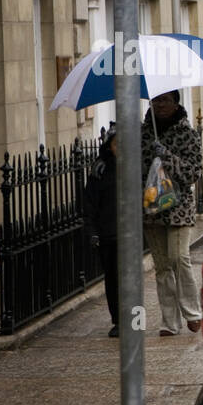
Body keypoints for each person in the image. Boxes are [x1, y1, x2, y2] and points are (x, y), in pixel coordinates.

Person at [140, 91, 202, 337]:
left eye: (165, 101)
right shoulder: (143, 133)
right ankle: (169, 321)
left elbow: (192, 173)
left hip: (178, 206)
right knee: (162, 266)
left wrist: (165, 155)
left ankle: (192, 312)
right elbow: (134, 168)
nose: (160, 105)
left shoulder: (187, 134)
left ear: (176, 103)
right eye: (156, 101)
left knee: (179, 258)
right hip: (152, 207)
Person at [83, 126, 121, 337]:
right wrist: (92, 231)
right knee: (113, 278)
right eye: (117, 144)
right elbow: (90, 204)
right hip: (108, 233)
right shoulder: (100, 169)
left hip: (130, 233)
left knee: (132, 280)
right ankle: (118, 320)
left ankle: (135, 319)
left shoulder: (135, 167)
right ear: (109, 146)